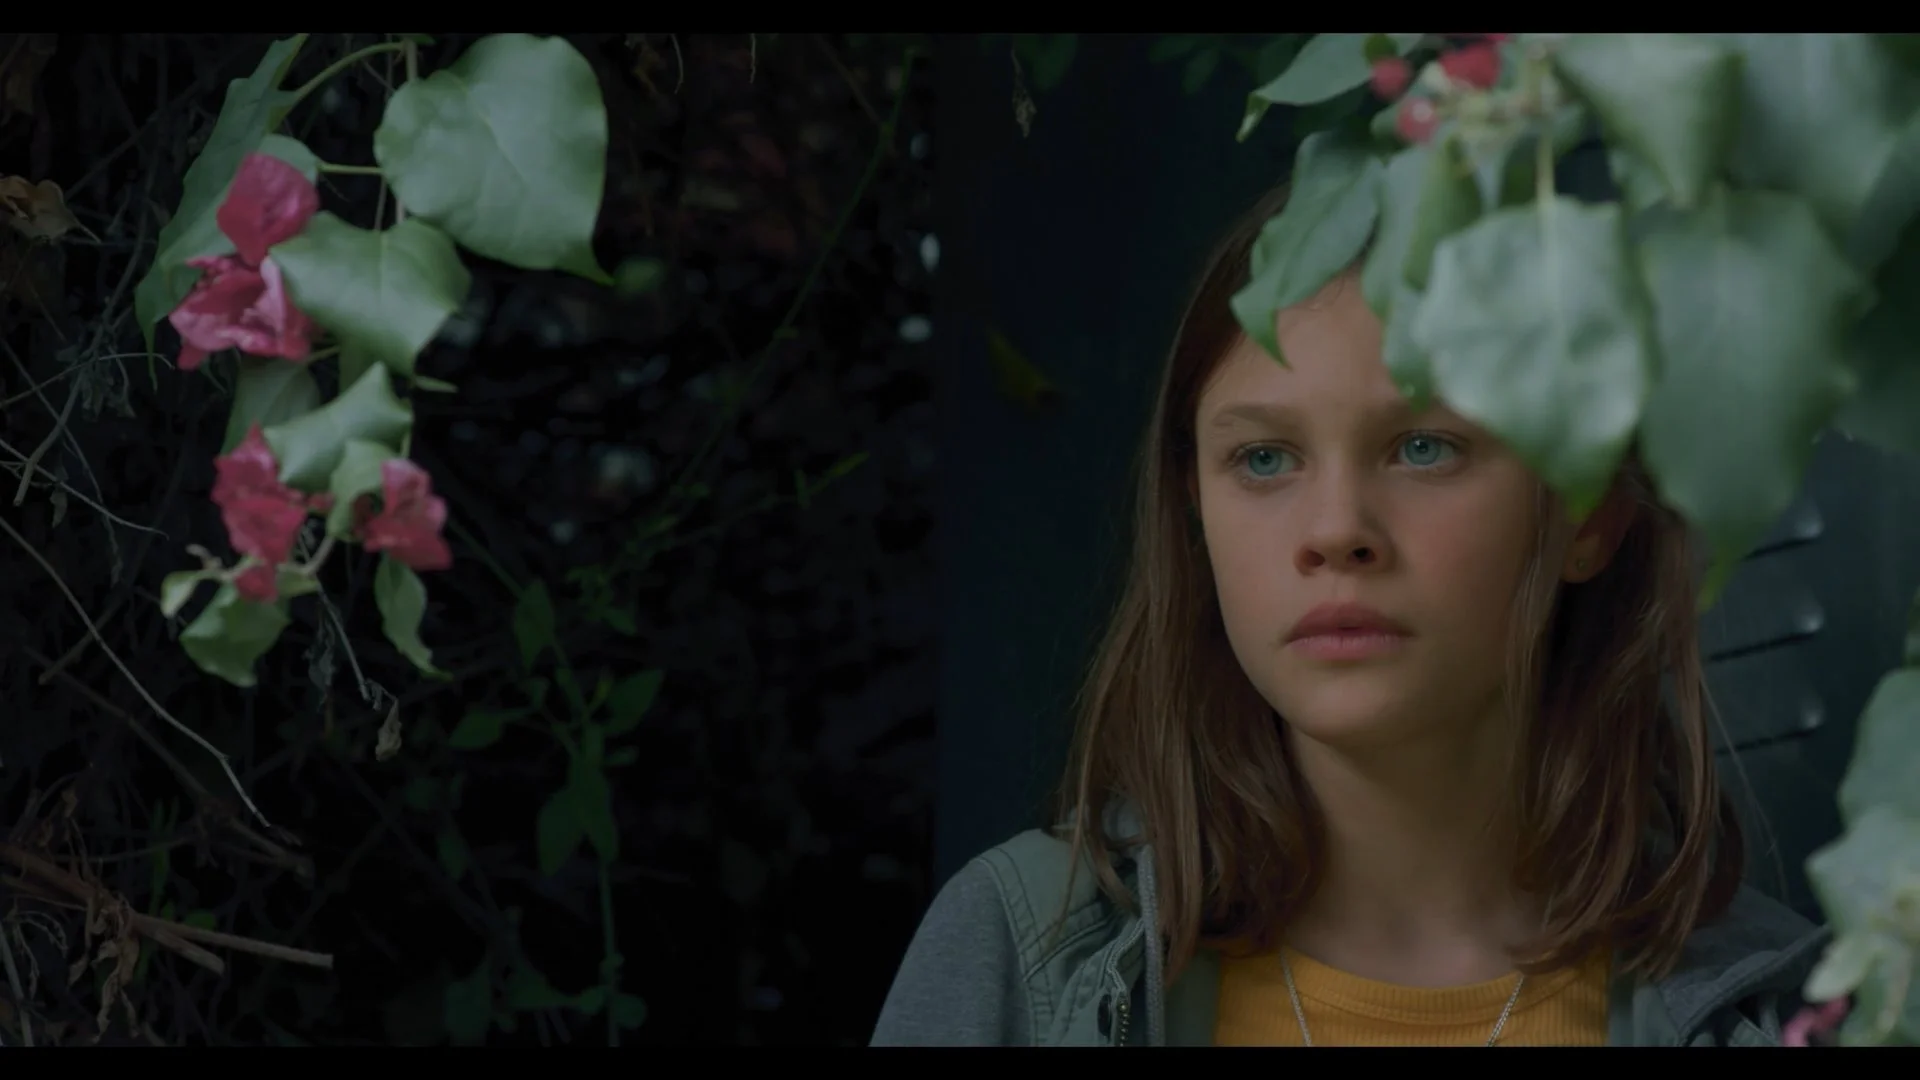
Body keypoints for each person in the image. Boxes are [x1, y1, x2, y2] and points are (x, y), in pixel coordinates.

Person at [869, 182, 1830, 1046]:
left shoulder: (1788, 1014)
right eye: (1263, 459)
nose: (1335, 531)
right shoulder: (1022, 957)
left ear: (1587, 513)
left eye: (1424, 447)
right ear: (1195, 514)